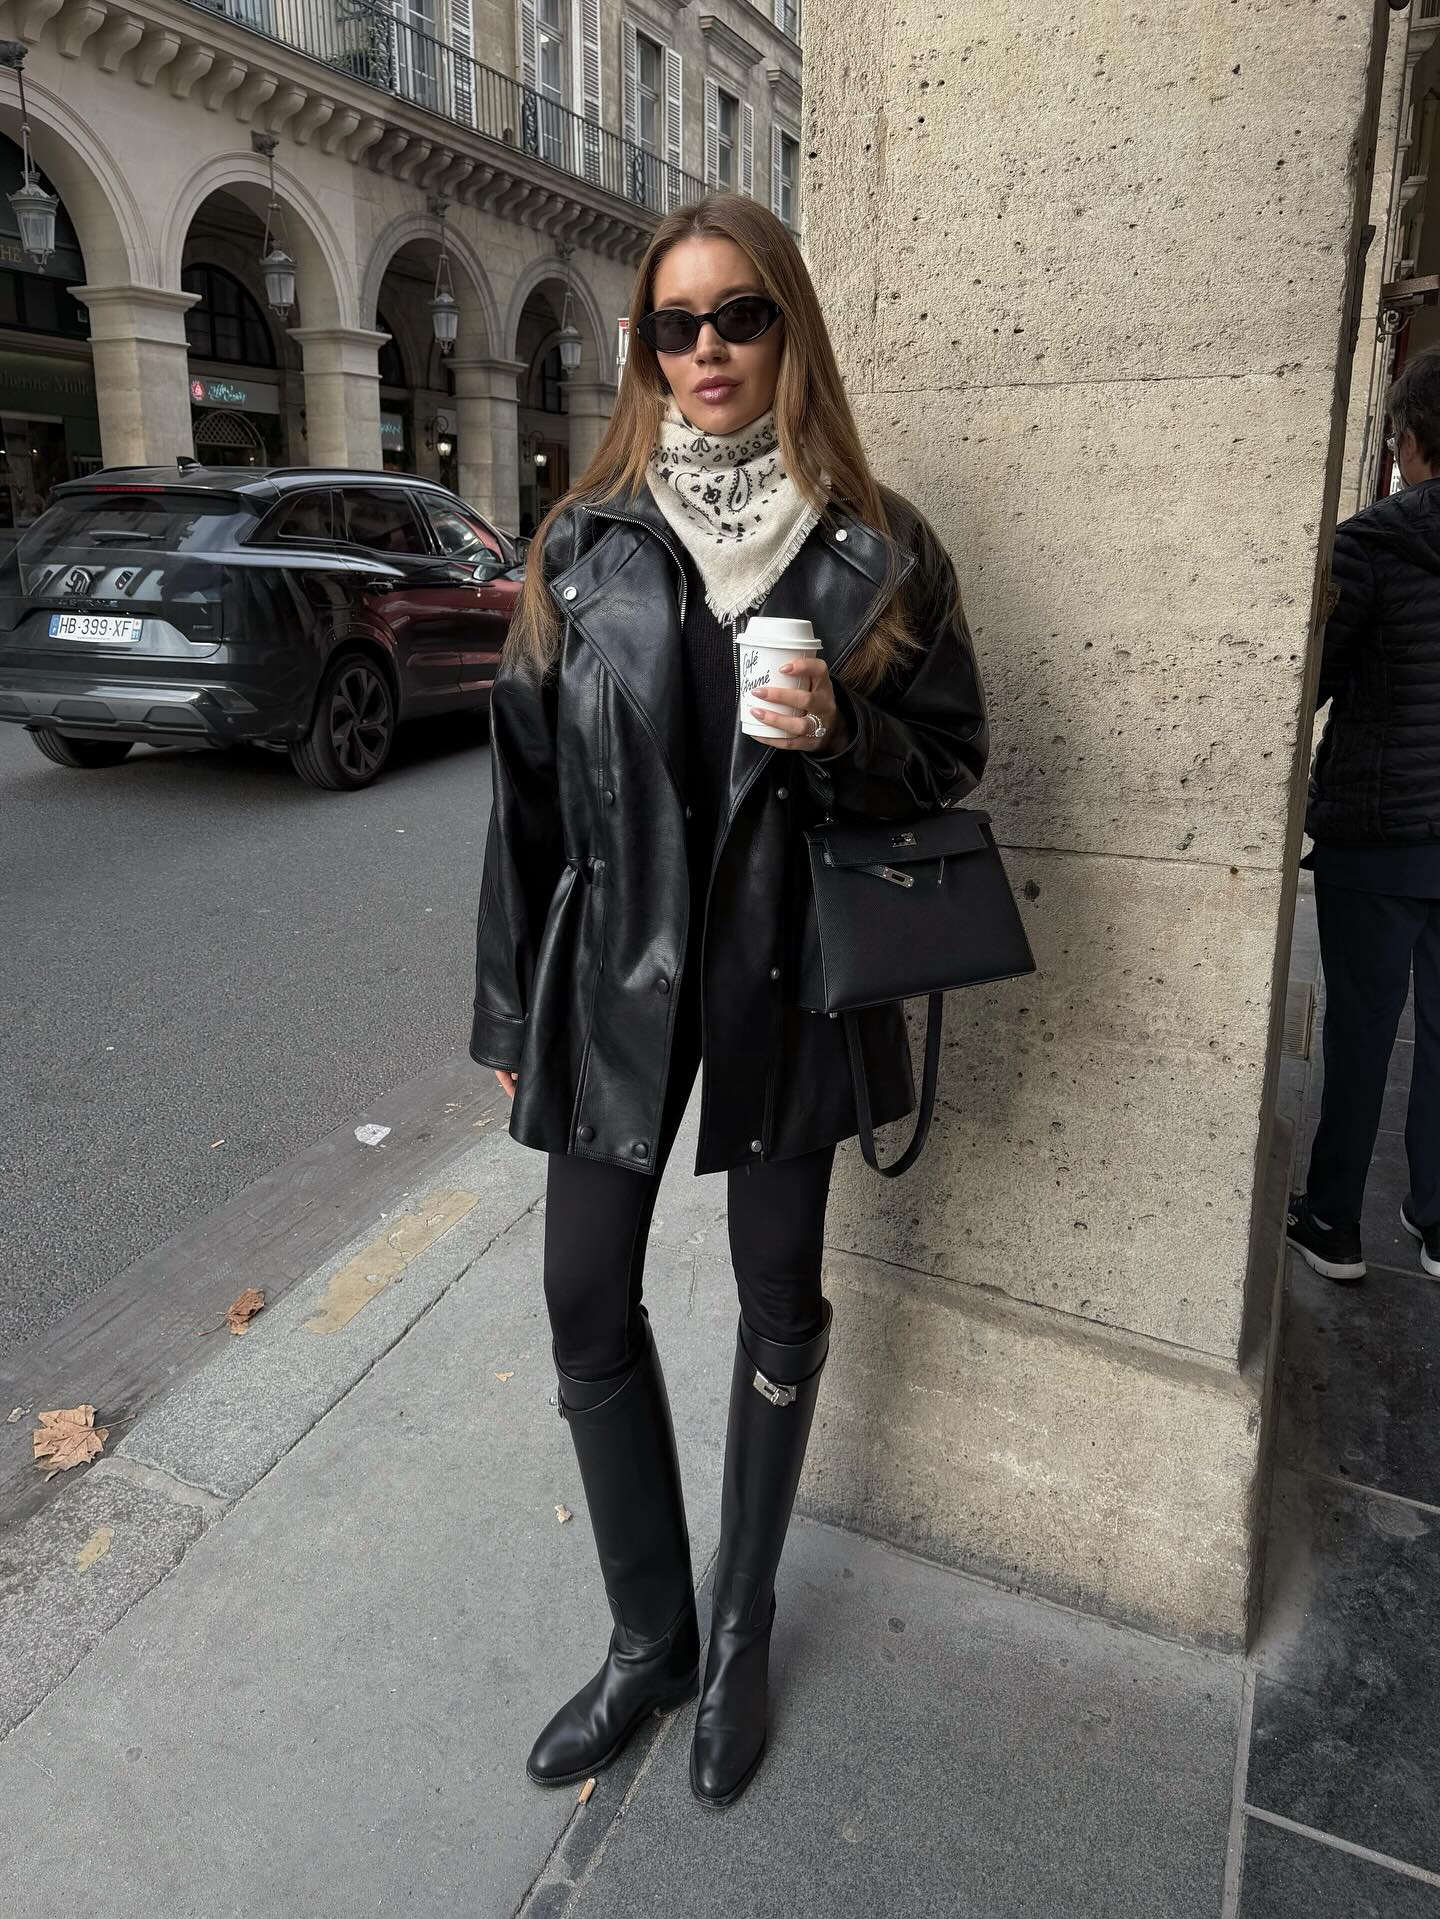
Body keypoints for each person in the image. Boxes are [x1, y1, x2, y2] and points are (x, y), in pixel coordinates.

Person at [469, 194, 987, 1808]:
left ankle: (742, 1624)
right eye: (673, 324)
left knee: (779, 1298)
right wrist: (508, 1020)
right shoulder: (584, 539)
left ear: (789, 329)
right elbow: (524, 802)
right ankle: (652, 1635)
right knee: (582, 1297)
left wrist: (845, 732)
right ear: (645, 348)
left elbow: (953, 759)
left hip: (788, 969)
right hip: (612, 968)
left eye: (739, 314)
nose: (705, 349)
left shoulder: (879, 544)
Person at [1287, 347, 1440, 1286]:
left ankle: (1333, 1223)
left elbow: (1311, 681)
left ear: (1410, 441)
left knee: (1360, 1034)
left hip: (1379, 837)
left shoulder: (1371, 545)